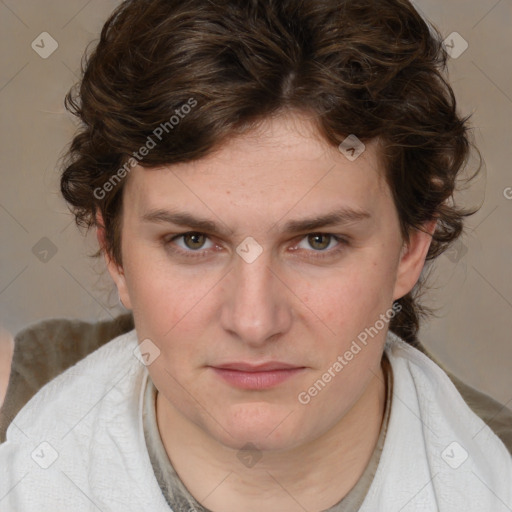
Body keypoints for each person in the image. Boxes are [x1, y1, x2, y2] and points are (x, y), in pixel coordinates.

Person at [1, 0, 511, 510]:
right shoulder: (17, 424)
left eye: (319, 241)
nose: (254, 322)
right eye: (193, 241)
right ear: (113, 252)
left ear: (411, 246)